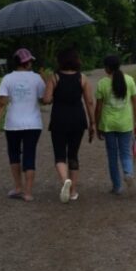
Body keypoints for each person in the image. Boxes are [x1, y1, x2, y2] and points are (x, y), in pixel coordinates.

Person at [0, 48, 47, 201]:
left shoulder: (7, 79)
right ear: (26, 62)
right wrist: (45, 80)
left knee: (14, 155)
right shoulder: (37, 78)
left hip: (13, 124)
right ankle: (28, 193)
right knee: (30, 155)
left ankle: (18, 188)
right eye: (30, 61)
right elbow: (44, 100)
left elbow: (1, 103)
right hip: (33, 124)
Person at [43, 48, 95, 203]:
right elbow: (89, 102)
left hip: (59, 119)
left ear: (60, 61)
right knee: (73, 155)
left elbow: (46, 100)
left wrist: (46, 84)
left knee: (60, 154)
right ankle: (73, 192)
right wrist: (92, 123)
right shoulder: (82, 78)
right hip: (78, 119)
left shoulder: (55, 78)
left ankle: (65, 180)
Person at [94, 54, 136, 195]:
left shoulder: (102, 83)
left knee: (112, 156)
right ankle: (128, 173)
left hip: (108, 124)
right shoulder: (129, 80)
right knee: (126, 152)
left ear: (108, 68)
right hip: (125, 123)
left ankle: (117, 187)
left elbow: (98, 108)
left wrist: (96, 125)